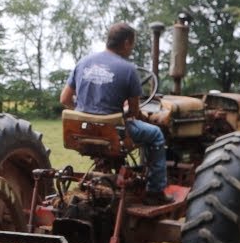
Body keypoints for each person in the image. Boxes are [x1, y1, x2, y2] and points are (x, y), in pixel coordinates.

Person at [59, 22, 172, 205]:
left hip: (82, 131)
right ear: (127, 43)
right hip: (113, 132)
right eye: (132, 44)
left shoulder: (83, 62)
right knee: (156, 135)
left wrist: (84, 116)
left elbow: (64, 99)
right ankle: (155, 191)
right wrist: (142, 119)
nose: (132, 48)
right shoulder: (128, 69)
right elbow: (134, 112)